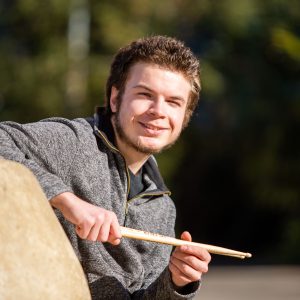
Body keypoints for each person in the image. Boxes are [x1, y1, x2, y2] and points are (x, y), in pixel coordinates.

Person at [0, 35, 211, 299]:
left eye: (173, 102)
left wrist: (178, 283)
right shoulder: (74, 142)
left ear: (184, 117)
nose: (158, 111)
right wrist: (68, 201)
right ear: (115, 98)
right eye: (145, 94)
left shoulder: (162, 208)